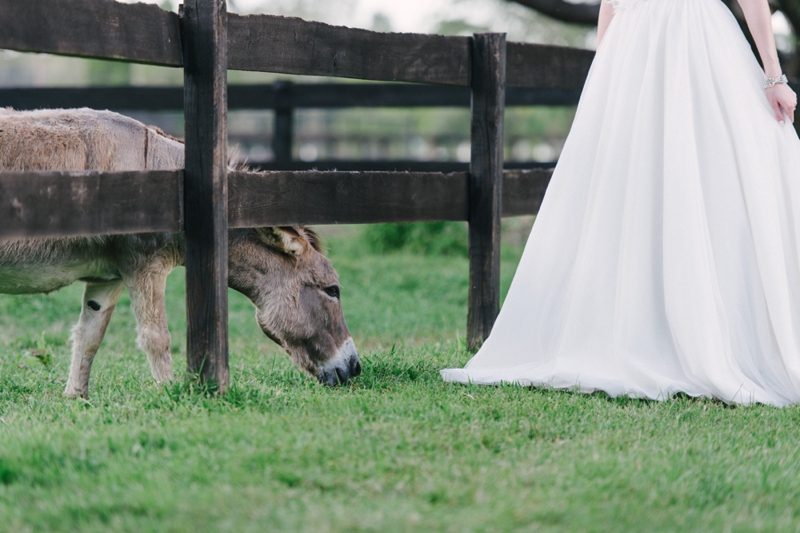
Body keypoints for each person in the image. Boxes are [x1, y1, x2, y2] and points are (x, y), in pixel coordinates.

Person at [441, 0, 800, 406]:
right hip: (632, 46)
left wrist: (773, 76)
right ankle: (637, 332)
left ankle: (714, 333)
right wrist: (604, 75)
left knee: (712, 179)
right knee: (628, 191)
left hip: (695, 42)